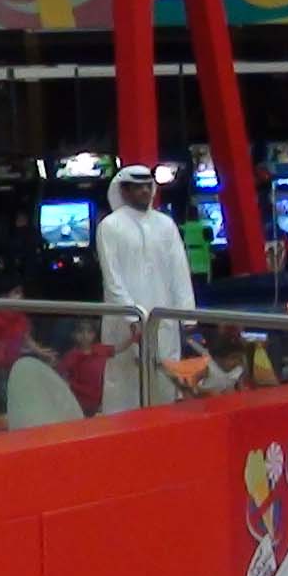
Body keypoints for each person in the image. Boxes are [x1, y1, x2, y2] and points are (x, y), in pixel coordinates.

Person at [95, 164, 194, 413]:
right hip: (125, 323)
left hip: (164, 318)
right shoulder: (110, 226)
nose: (144, 192)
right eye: (137, 187)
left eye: (148, 186)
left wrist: (187, 315)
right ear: (124, 191)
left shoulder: (165, 224)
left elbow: (179, 273)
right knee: (125, 383)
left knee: (164, 379)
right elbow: (113, 279)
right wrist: (132, 317)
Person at [58, 317, 112, 416]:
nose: (85, 336)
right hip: (77, 403)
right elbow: (60, 375)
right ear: (73, 334)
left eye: (89, 332)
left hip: (98, 403)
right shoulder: (71, 356)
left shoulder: (100, 350)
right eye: (80, 332)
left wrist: (133, 338)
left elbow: (118, 349)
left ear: (94, 334)